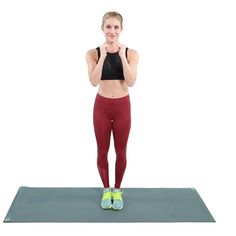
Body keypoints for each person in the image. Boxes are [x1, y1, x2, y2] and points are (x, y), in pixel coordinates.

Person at [86, 11, 139, 210]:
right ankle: (106, 190)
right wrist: (104, 55)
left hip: (122, 107)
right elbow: (93, 81)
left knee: (121, 151)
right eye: (108, 27)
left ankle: (117, 190)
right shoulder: (92, 53)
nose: (112, 31)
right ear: (102, 28)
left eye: (116, 27)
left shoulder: (131, 53)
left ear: (121, 29)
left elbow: (132, 82)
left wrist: (122, 54)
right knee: (102, 150)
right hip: (102, 107)